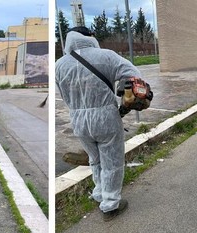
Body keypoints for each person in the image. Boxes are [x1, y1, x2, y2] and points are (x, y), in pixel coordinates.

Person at [55, 26, 143, 221]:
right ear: (90, 38)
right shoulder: (107, 56)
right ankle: (111, 204)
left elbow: (63, 95)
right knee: (112, 161)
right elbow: (134, 75)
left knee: (95, 159)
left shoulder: (59, 65)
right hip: (106, 118)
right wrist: (125, 94)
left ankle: (99, 193)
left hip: (78, 121)